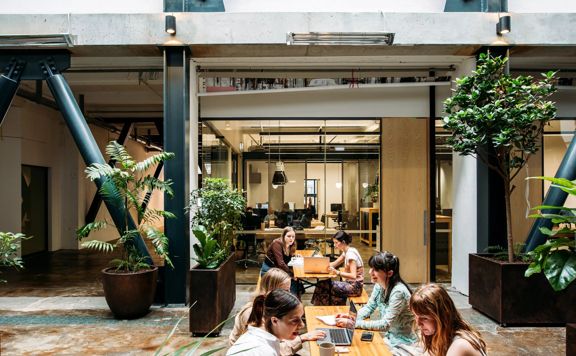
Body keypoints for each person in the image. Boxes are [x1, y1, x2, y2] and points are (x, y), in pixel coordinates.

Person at [229, 268, 325, 355]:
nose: (288, 295)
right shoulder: (253, 313)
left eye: (289, 290)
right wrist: (303, 338)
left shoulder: (266, 307)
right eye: (284, 291)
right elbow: (280, 350)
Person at [334, 252, 417, 348]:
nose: (370, 272)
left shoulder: (398, 292)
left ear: (389, 273)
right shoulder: (379, 285)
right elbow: (369, 307)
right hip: (390, 338)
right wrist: (352, 318)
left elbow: (385, 324)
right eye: (371, 268)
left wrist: (353, 323)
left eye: (375, 270)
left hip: (404, 343)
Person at [410, 284, 487, 356]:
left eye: (424, 318)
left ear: (443, 316)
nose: (418, 323)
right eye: (415, 316)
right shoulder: (439, 336)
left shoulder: (460, 345)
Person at [226, 289, 305, 356]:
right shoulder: (264, 350)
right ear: (274, 321)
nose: (302, 325)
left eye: (301, 318)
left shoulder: (260, 336)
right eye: (295, 320)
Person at [311, 230, 364, 305]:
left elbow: (353, 275)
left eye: (336, 243)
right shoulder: (347, 251)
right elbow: (334, 264)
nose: (335, 245)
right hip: (350, 284)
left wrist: (337, 272)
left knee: (322, 285)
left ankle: (318, 308)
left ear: (343, 242)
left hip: (355, 287)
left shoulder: (350, 255)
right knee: (323, 286)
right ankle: (322, 308)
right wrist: (319, 264)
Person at [260, 227, 299, 296]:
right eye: (289, 236)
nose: (291, 239)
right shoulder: (277, 244)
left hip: (277, 269)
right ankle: (292, 300)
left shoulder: (290, 245)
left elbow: (287, 259)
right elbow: (280, 263)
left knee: (296, 281)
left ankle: (293, 299)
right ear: (283, 236)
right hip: (269, 271)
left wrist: (295, 257)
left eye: (293, 237)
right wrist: (291, 274)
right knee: (292, 281)